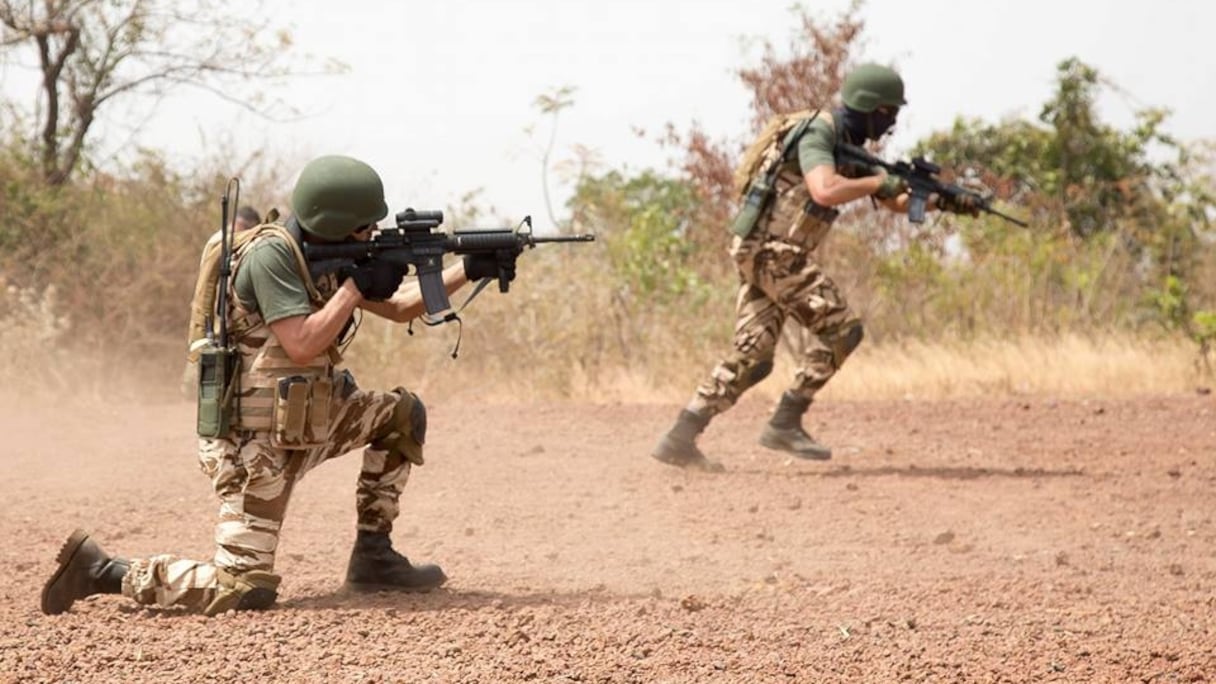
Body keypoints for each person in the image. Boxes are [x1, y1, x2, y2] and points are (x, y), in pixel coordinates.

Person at [41, 155, 519, 616]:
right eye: (366, 226)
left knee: (401, 414)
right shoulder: (271, 258)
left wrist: (469, 269)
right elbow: (303, 344)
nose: (373, 233)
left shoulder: (326, 254)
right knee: (242, 587)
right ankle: (102, 570)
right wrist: (354, 289)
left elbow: (398, 307)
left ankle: (374, 557)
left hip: (311, 420)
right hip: (257, 446)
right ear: (336, 223)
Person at [651, 64, 980, 472]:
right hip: (774, 252)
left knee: (753, 357)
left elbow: (896, 201)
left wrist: (945, 201)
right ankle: (785, 420)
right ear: (872, 108)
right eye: (889, 111)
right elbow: (825, 190)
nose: (893, 120)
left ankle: (680, 437)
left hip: (761, 252)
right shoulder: (820, 133)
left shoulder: (850, 144)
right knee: (844, 331)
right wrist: (877, 184)